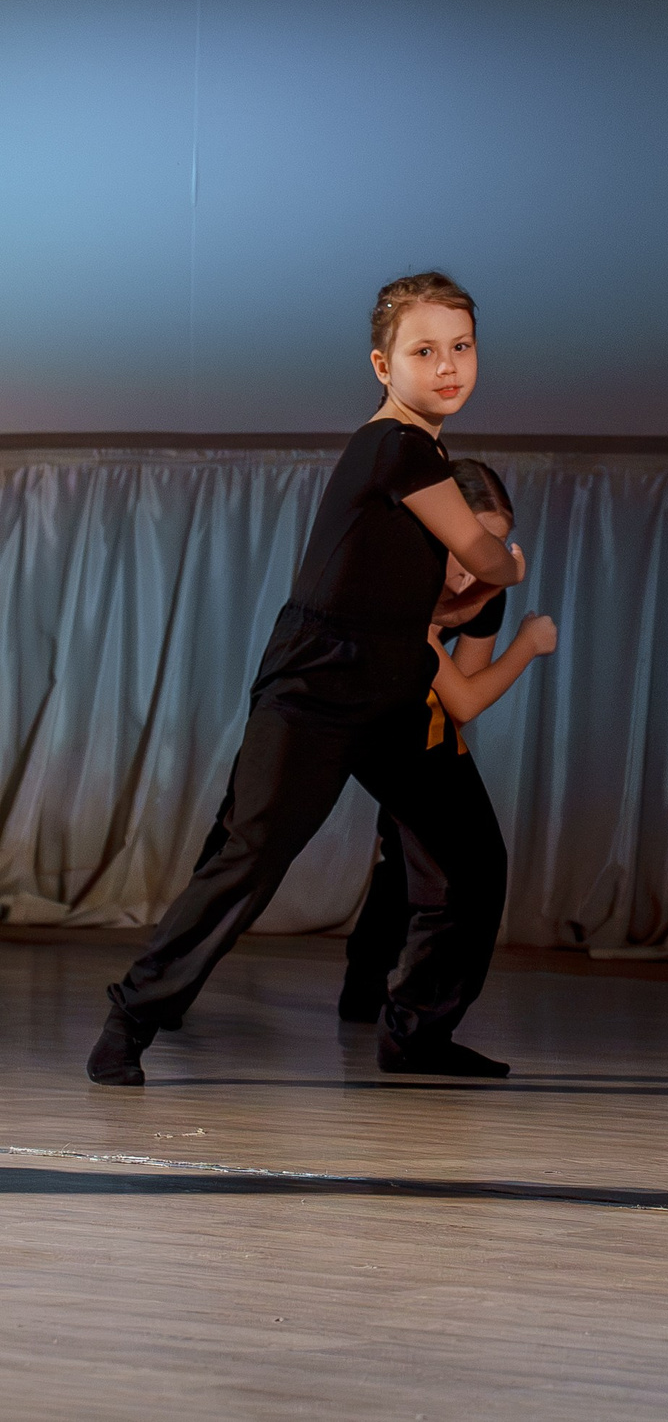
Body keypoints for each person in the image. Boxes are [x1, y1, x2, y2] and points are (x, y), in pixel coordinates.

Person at [88, 272, 529, 1085]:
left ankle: (416, 1034)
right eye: (423, 350)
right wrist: (510, 566)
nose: (447, 366)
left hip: (395, 683)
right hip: (320, 684)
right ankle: (130, 1017)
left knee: (471, 857)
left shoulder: (422, 448)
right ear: (381, 364)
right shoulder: (394, 442)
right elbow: (481, 556)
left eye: (460, 347)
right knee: (251, 857)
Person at [337, 459, 559, 1028]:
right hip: (334, 706)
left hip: (406, 714)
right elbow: (461, 695)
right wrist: (529, 646)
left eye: (497, 546)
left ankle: (375, 997)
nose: (480, 564)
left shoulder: (489, 587)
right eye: (470, 545)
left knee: (424, 852)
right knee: (248, 846)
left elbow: (460, 697)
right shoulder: (398, 577)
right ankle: (158, 998)